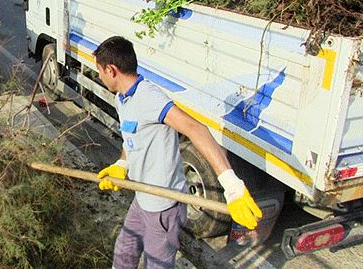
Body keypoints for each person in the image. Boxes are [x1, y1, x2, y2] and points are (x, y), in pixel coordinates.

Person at [93, 36, 262, 269]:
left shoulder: (149, 96)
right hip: (142, 197)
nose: (99, 76)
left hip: (163, 206)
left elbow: (196, 129)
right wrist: (122, 165)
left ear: (111, 70)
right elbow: (132, 139)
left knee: (157, 264)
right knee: (124, 251)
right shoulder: (122, 100)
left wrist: (232, 186)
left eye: (100, 71)